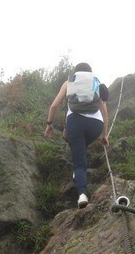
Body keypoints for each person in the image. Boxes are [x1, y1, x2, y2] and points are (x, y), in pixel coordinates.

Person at [44, 63, 109, 208]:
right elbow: (105, 112)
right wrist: (104, 135)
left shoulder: (69, 82)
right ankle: (79, 162)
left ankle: (82, 194)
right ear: (90, 73)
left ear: (76, 72)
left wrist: (49, 124)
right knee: (79, 147)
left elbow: (54, 106)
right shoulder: (95, 83)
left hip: (75, 123)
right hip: (96, 125)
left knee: (79, 162)